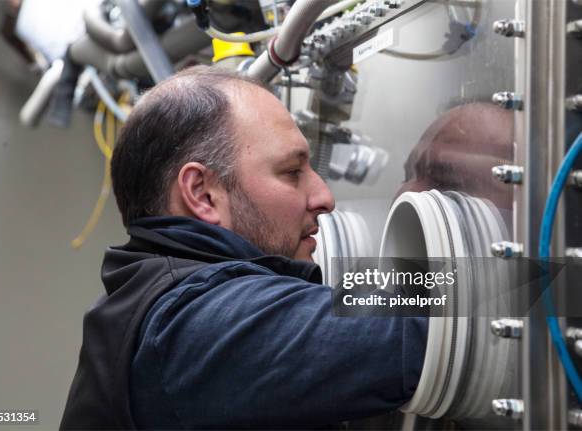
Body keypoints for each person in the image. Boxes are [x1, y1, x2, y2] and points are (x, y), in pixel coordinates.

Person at [60, 65, 427, 430]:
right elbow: (416, 327)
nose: (324, 197)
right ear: (202, 194)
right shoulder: (197, 323)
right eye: (291, 172)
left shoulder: (158, 299)